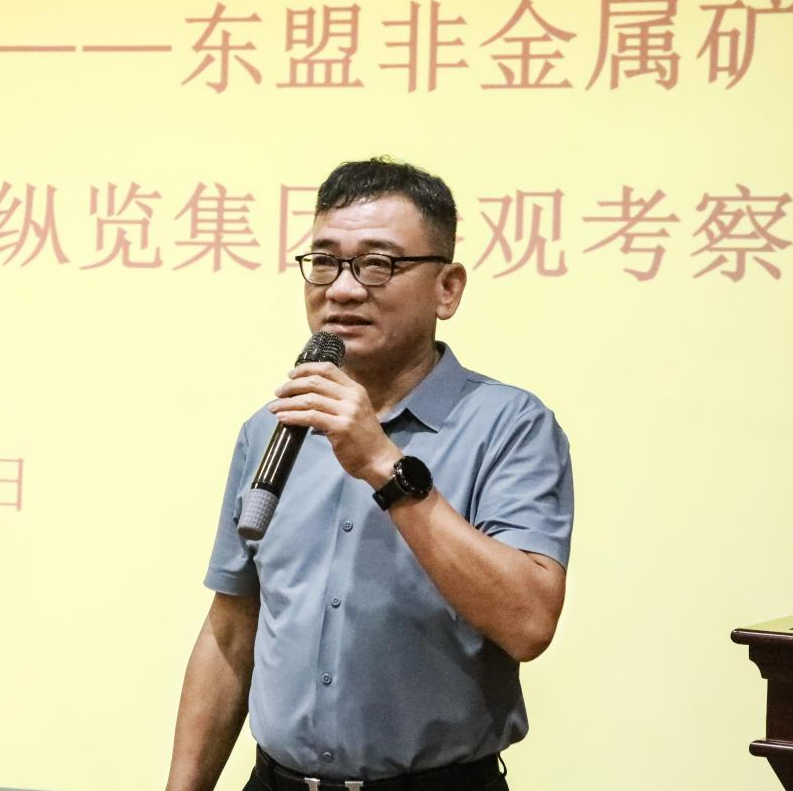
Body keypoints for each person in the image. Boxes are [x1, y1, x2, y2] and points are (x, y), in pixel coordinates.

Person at [166, 158, 574, 791]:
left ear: (447, 289)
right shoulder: (271, 429)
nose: (343, 289)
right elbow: (231, 630)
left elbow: (528, 623)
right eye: (324, 262)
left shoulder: (510, 425)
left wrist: (383, 464)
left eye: (378, 264)